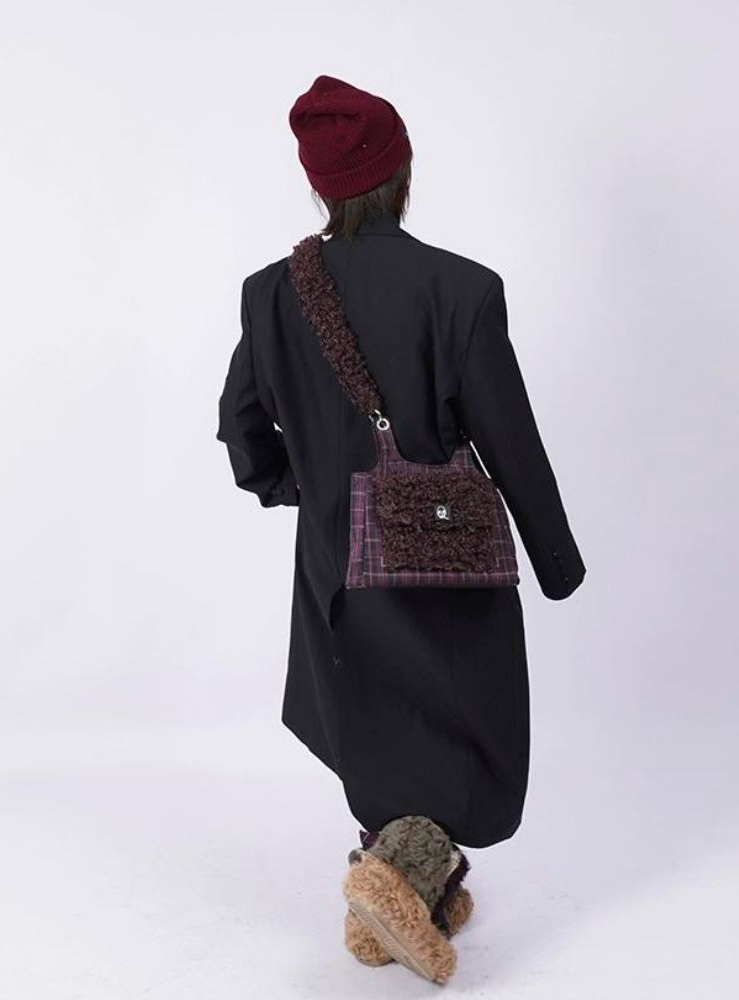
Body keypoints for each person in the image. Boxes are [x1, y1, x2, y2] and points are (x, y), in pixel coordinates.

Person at [216, 74, 586, 984]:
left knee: (374, 716)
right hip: (446, 559)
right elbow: (510, 440)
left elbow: (241, 426)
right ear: (403, 171)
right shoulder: (462, 289)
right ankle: (399, 874)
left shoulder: (271, 294)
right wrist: (557, 561)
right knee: (473, 727)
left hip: (337, 560)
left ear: (319, 186)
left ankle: (397, 880)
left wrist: (299, 489)